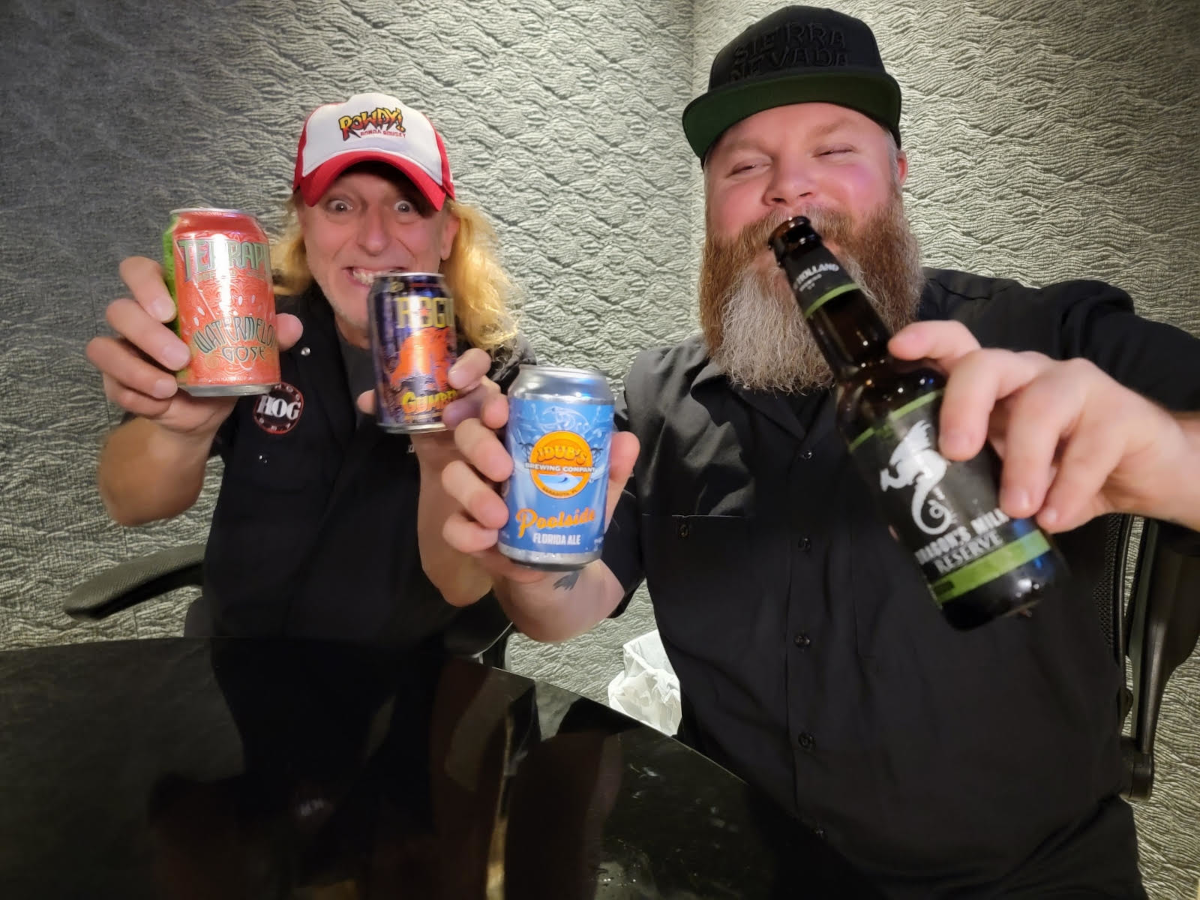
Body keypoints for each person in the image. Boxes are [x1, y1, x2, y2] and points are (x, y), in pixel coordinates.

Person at [438, 8, 1200, 898]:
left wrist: (1167, 459)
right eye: (744, 166)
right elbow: (565, 609)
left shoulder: (1048, 335)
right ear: (711, 205)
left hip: (1025, 880)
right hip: (739, 863)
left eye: (834, 150)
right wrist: (526, 562)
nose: (788, 188)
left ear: (898, 172)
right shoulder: (658, 393)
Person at [86, 91, 533, 644]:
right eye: (341, 206)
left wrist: (444, 454)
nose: (374, 239)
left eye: (406, 207)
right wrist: (180, 431)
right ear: (304, 224)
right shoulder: (251, 328)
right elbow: (130, 504)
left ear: (447, 234)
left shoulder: (497, 373)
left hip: (415, 677)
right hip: (236, 660)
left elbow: (465, 587)